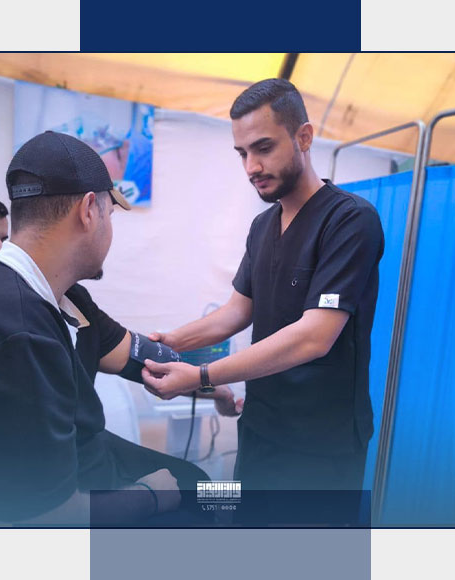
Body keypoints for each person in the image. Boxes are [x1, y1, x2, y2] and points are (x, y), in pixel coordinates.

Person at [142, 79, 384, 495]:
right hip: (259, 427)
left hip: (320, 444)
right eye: (242, 153)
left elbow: (314, 337)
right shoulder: (262, 226)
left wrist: (200, 375)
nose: (251, 166)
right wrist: (167, 342)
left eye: (264, 148)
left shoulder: (350, 220)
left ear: (303, 137)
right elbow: (236, 312)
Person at [0, 131, 190, 526]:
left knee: (204, 485)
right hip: (66, 500)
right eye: (110, 215)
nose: (110, 230)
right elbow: (45, 518)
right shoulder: (21, 334)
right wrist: (151, 496)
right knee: (203, 497)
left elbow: (135, 354)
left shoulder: (65, 295)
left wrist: (210, 379)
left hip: (89, 455)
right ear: (88, 211)